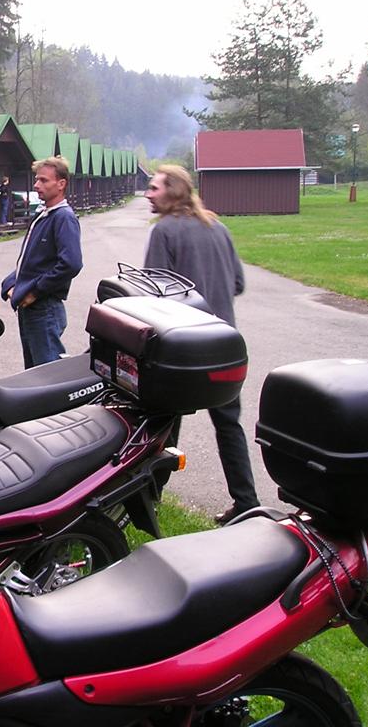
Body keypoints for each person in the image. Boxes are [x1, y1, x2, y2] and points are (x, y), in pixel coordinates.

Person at [143, 164, 261, 525]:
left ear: (173, 192)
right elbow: (238, 283)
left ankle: (151, 500)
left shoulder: (164, 230)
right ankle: (247, 503)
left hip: (182, 350)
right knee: (229, 426)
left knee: (163, 425)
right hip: (224, 347)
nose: (148, 194)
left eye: (154, 188)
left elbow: (152, 293)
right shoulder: (218, 227)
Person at [1, 156, 83, 368]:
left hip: (44, 309)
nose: (37, 185)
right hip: (31, 309)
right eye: (37, 179)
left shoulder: (63, 217)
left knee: (47, 374)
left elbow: (71, 264)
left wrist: (35, 291)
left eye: (44, 180)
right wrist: (10, 284)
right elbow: (31, 262)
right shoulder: (43, 215)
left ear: (61, 184)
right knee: (34, 373)